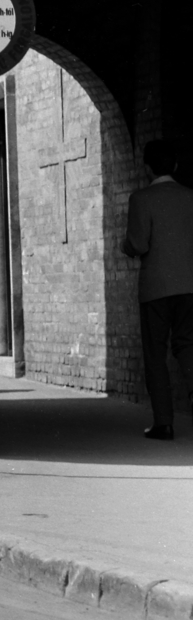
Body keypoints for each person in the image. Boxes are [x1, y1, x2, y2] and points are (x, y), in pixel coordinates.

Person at [121, 140, 193, 440]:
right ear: (175, 165)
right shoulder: (191, 197)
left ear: (147, 167)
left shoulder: (141, 199)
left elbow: (138, 244)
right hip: (190, 286)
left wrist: (124, 245)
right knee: (188, 346)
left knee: (156, 354)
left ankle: (163, 423)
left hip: (155, 289)